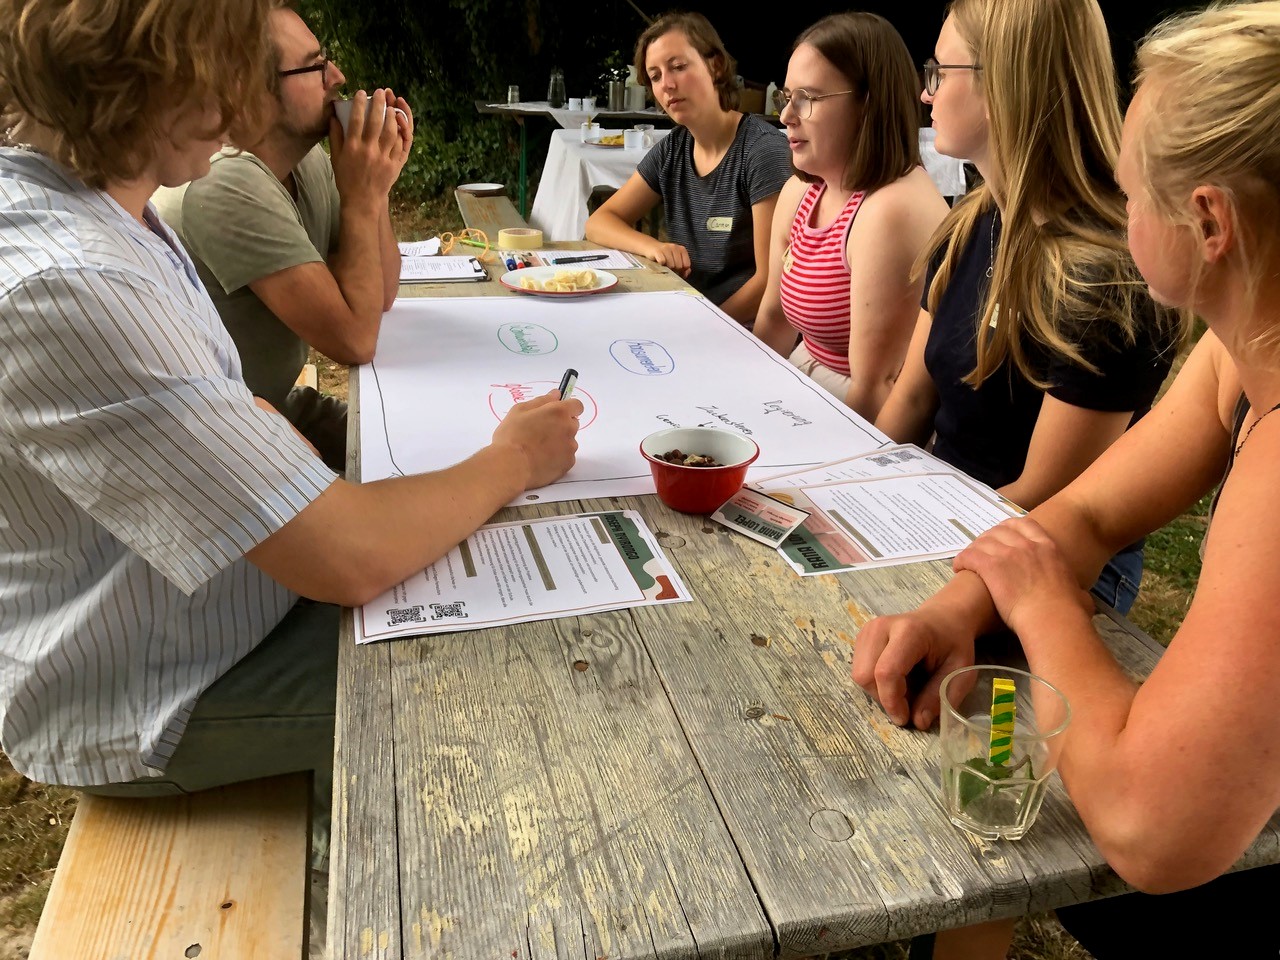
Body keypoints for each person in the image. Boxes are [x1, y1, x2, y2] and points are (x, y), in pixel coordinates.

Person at [0, 0, 579, 874]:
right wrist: (513, 459)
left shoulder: (97, 207)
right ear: (148, 77)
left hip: (214, 612)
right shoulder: (70, 282)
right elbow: (347, 555)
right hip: (164, 689)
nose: (239, 111)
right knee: (525, 660)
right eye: (226, 73)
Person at [855, 3, 1280, 956]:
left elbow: (1150, 828)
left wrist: (1041, 603)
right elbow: (1083, 512)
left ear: (1207, 221)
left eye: (1130, 191)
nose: (1115, 208)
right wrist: (962, 603)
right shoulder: (1239, 353)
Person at [872, 0, 1180, 615]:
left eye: (938, 71)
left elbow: (1044, 496)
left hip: (1053, 561)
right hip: (947, 519)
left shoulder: (1106, 281)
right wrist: (847, 495)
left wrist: (905, 546)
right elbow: (910, 399)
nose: (925, 95)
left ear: (1002, 85)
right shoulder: (969, 225)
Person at [154, 4, 410, 472]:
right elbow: (354, 339)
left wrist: (376, 186)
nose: (336, 75)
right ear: (250, 90)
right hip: (224, 441)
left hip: (275, 406)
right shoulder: (225, 182)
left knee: (420, 443)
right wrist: (362, 197)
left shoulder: (305, 163)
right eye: (315, 67)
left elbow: (383, 292)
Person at [752, 13, 949, 420]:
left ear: (869, 103)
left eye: (807, 97)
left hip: (859, 414)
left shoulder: (890, 210)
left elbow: (877, 387)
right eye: (786, 97)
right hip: (805, 382)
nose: (787, 115)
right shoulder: (803, 190)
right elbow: (773, 321)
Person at [584, 11, 792, 327]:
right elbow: (599, 222)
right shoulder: (673, 148)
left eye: (679, 67)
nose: (667, 84)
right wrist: (654, 247)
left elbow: (769, 283)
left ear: (715, 65)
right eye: (655, 76)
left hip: (745, 332)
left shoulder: (762, 151)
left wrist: (702, 328)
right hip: (689, 313)